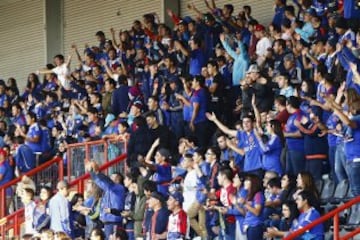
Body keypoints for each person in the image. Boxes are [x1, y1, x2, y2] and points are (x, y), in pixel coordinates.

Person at [87, 161, 125, 238]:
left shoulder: (119, 188)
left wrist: (98, 172)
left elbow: (107, 180)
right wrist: (90, 171)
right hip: (107, 222)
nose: (111, 178)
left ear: (118, 180)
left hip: (114, 221)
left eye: (113, 177)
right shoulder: (108, 188)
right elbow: (98, 181)